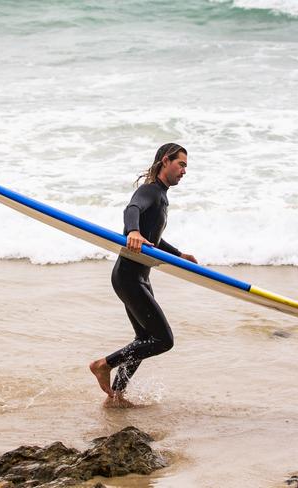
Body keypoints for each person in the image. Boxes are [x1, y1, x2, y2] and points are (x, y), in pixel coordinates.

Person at [89, 143, 197, 408]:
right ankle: (103, 364)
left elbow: (154, 240)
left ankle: (116, 396)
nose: (184, 171)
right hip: (128, 277)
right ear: (165, 161)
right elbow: (132, 209)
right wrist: (132, 232)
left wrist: (179, 255)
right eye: (181, 164)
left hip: (137, 278)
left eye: (185, 166)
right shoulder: (149, 191)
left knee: (144, 340)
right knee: (163, 340)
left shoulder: (162, 196)